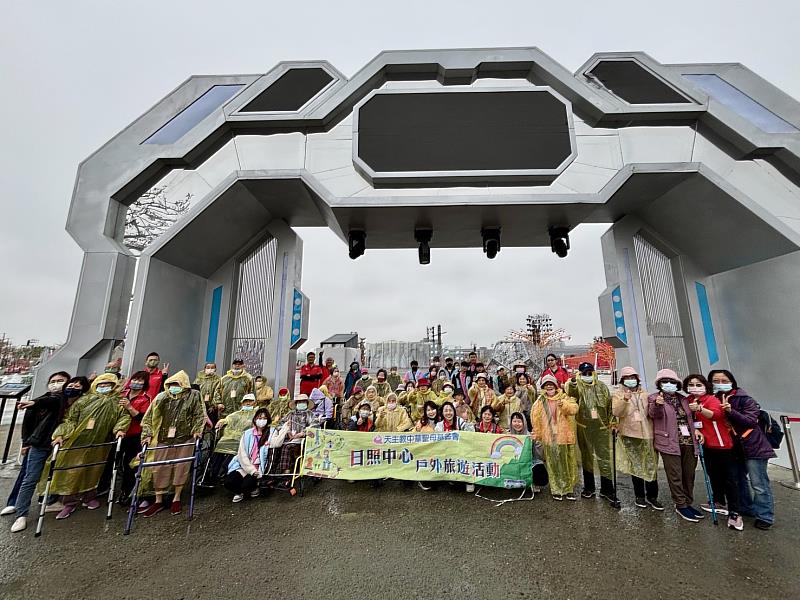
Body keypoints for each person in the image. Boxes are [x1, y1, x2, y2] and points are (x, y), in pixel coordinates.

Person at [44, 373, 130, 520]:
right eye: (101, 384)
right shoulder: (84, 400)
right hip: (76, 441)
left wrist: (120, 429)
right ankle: (69, 502)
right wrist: (60, 435)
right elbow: (70, 419)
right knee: (71, 471)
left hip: (100, 442)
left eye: (107, 385)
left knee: (93, 470)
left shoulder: (118, 402)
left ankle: (89, 497)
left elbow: (124, 417)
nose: (104, 387)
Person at [709, 369, 775, 530]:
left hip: (753, 446)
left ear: (732, 381)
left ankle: (765, 516)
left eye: (724, 380)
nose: (720, 384)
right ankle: (747, 508)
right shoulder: (713, 399)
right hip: (733, 447)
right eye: (716, 381)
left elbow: (751, 421)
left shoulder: (745, 399)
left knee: (758, 483)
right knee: (738, 480)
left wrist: (731, 411)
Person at [4, 372, 70, 533]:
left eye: (60, 381)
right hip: (39, 443)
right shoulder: (45, 400)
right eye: (53, 381)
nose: (56, 384)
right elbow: (28, 422)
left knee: (53, 474)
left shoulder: (67, 400)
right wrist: (26, 442)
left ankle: (48, 500)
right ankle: (19, 510)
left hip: (60, 444)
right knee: (29, 477)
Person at [139, 370, 205, 517]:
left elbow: (199, 415)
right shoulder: (162, 397)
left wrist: (197, 431)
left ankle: (176, 497)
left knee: (181, 467)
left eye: (178, 384)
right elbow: (149, 417)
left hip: (186, 437)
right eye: (172, 384)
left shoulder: (193, 396)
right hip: (163, 437)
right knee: (160, 467)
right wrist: (147, 434)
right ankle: (158, 499)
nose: (174, 387)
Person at [685, 373, 742, 530]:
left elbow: (715, 415)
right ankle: (719, 501)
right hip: (706, 446)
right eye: (691, 384)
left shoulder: (711, 399)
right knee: (713, 475)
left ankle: (735, 513)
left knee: (730, 479)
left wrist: (700, 409)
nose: (694, 388)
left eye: (698, 385)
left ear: (705, 386)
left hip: (723, 445)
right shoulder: (688, 400)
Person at [648, 368, 703, 522]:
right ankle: (680, 505)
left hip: (689, 441)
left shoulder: (684, 399)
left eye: (672, 381)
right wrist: (658, 405)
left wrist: (697, 430)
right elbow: (654, 415)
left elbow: (691, 419)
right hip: (669, 442)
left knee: (689, 474)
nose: (669, 384)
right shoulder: (654, 398)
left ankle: (688, 502)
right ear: (659, 384)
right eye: (665, 381)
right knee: (675, 475)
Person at [611, 366, 662, 510]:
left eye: (633, 378)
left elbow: (651, 413)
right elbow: (616, 412)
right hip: (630, 435)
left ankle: (653, 496)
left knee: (651, 466)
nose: (631, 381)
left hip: (648, 435)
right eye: (627, 378)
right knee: (636, 467)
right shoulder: (617, 395)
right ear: (622, 380)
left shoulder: (646, 395)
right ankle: (640, 496)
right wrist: (625, 400)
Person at [566, 362, 615, 505]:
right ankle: (589, 487)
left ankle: (607, 489)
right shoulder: (578, 386)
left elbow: (610, 406)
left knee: (604, 457)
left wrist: (612, 422)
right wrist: (574, 381)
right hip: (584, 427)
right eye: (584, 373)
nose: (587, 376)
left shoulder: (602, 387)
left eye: (589, 373)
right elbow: (570, 392)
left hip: (601, 428)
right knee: (587, 457)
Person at [532, 374, 579, 501]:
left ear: (555, 386)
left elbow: (574, 409)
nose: (549, 387)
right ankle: (556, 489)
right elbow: (535, 419)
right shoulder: (540, 401)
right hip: (549, 438)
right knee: (553, 464)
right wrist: (537, 434)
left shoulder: (564, 397)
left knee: (566, 463)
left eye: (551, 385)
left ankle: (568, 489)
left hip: (564, 437)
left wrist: (563, 404)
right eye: (546, 385)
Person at [116, 371, 153, 504]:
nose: (136, 383)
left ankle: (132, 493)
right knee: (119, 465)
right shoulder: (122, 394)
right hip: (120, 435)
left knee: (132, 466)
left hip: (136, 436)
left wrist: (129, 407)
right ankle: (122, 491)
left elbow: (143, 419)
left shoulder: (145, 399)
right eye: (134, 379)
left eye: (140, 381)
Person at [224, 408, 272, 503]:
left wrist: (285, 429)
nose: (262, 420)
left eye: (264, 418)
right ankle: (239, 492)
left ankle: (251, 488)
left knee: (247, 485)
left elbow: (277, 443)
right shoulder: (247, 433)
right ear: (255, 419)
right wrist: (251, 470)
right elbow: (242, 454)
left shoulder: (271, 432)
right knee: (228, 482)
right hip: (244, 466)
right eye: (259, 417)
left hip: (258, 467)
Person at [210, 393, 259, 484]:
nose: (248, 403)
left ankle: (225, 473)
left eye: (250, 401)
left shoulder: (257, 414)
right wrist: (221, 421)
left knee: (232, 454)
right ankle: (213, 475)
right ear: (242, 403)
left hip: (243, 438)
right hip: (228, 438)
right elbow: (228, 419)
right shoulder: (237, 413)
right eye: (245, 401)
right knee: (218, 451)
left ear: (255, 403)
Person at [275, 394, 319, 478]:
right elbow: (280, 424)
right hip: (288, 438)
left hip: (302, 440)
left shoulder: (310, 414)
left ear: (306, 403)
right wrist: (287, 431)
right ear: (296, 403)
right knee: (276, 446)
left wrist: (303, 433)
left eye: (303, 402)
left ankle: (286, 471)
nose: (301, 403)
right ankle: (274, 471)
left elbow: (315, 426)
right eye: (299, 402)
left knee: (287, 447)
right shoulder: (290, 414)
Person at [415, 401, 441, 491]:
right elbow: (413, 437)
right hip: (425, 451)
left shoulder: (441, 421)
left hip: (439, 451)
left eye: (433, 409)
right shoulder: (421, 423)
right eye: (428, 410)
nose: (431, 412)